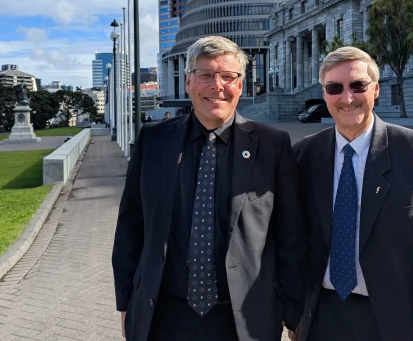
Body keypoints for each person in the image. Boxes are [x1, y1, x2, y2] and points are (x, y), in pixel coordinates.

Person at [112, 36, 306, 341]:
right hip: (163, 315)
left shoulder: (273, 145)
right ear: (189, 82)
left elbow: (290, 236)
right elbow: (130, 225)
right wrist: (126, 301)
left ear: (240, 85)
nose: (217, 86)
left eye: (228, 77)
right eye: (205, 75)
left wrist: (293, 313)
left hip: (244, 320)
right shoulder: (153, 141)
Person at [293, 47, 413, 341]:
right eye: (335, 88)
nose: (347, 98)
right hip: (321, 318)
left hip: (394, 322)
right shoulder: (303, 156)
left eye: (357, 85)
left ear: (375, 90)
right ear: (324, 95)